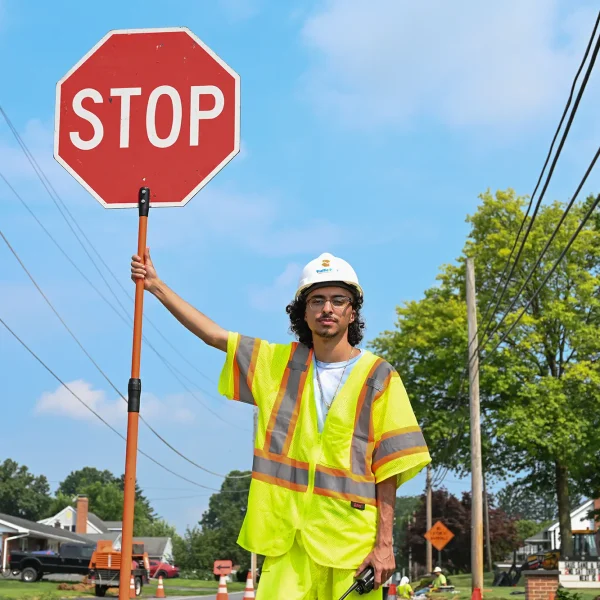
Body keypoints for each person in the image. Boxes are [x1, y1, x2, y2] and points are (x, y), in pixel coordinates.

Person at [131, 250, 431, 600]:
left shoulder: (380, 377)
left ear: (353, 311)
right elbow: (214, 336)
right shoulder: (278, 365)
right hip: (286, 543)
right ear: (303, 312)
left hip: (351, 547)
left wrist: (384, 544)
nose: (327, 309)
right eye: (317, 300)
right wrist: (156, 286)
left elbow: (389, 469)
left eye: (338, 299)